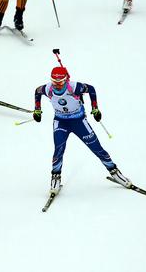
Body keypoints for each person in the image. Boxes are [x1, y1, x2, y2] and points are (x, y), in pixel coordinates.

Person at [33, 66, 132, 196]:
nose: (57, 85)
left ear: (66, 80)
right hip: (61, 122)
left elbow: (90, 89)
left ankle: (115, 173)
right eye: (54, 82)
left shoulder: (74, 87)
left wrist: (95, 108)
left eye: (60, 82)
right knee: (58, 150)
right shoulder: (47, 88)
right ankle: (55, 178)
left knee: (97, 148)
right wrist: (37, 110)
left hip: (79, 122)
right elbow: (37, 91)